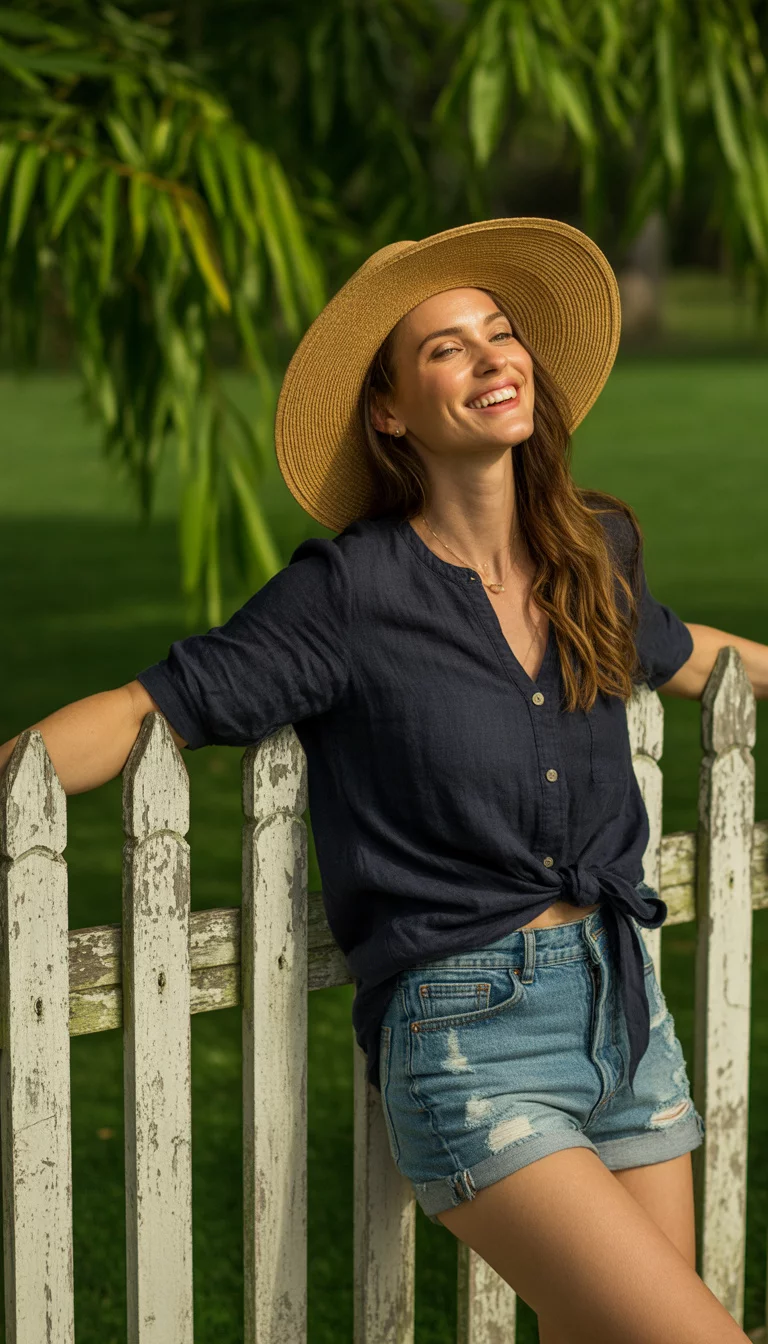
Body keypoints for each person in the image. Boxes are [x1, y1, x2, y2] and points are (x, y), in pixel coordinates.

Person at [1, 218, 760, 1343]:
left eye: (501, 333)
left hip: (627, 1009)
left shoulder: (587, 553)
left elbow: (691, 653)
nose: (493, 356)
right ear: (390, 410)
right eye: (447, 347)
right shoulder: (348, 593)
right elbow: (145, 707)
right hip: (475, 1035)